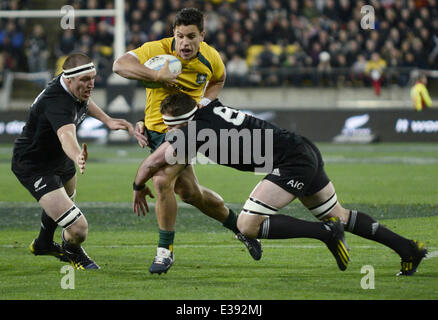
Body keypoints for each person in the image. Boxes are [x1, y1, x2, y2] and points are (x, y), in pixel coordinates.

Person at [132, 93, 428, 276]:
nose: (168, 131)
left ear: (183, 123)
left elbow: (150, 164)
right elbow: (194, 102)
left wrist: (137, 187)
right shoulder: (207, 105)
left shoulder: (191, 133)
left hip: (290, 162)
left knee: (248, 225)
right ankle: (408, 249)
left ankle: (325, 233)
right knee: (340, 214)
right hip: (301, 149)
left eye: (170, 126)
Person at [113, 7, 261, 275]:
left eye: (191, 36)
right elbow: (119, 65)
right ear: (174, 34)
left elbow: (219, 79)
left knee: (161, 181)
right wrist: (157, 76)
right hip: (156, 132)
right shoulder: (156, 49)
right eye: (180, 36)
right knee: (191, 193)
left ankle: (164, 252)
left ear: (202, 35)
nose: (185, 43)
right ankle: (241, 228)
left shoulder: (210, 57)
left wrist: (204, 102)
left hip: (187, 133)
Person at [11, 52, 134, 270]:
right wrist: (77, 154)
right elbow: (66, 135)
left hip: (58, 157)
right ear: (69, 80)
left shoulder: (71, 85)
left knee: (67, 198)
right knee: (78, 228)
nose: (91, 84)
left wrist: (107, 120)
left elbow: (85, 101)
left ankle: (43, 243)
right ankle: (71, 251)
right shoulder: (57, 101)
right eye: (85, 80)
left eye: (93, 78)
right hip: (34, 165)